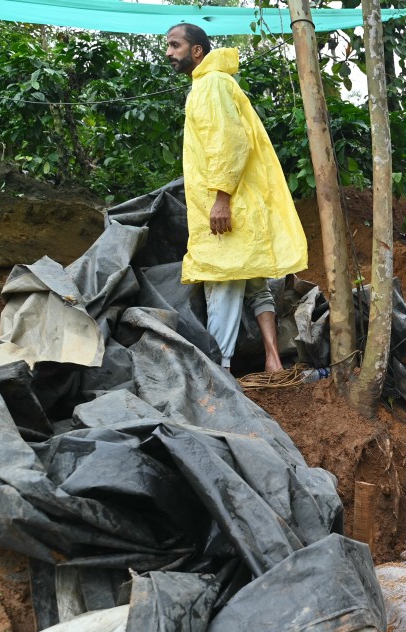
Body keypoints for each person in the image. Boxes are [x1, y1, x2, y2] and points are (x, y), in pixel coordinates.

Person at [166, 22, 307, 372]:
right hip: (243, 205)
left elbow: (228, 142)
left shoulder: (211, 84)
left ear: (197, 50)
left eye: (175, 45)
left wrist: (221, 198)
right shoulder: (215, 83)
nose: (168, 53)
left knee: (222, 288)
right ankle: (274, 362)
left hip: (228, 207)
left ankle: (221, 373)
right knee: (254, 281)